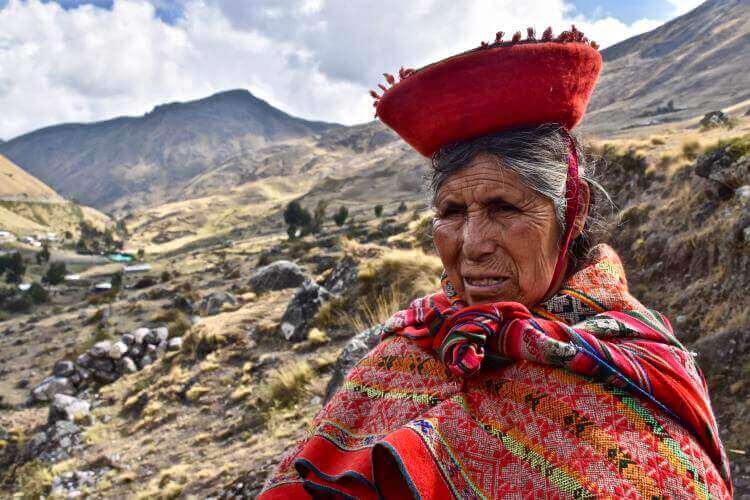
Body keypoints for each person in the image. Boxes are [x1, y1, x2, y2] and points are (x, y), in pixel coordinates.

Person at [259, 26, 731, 499]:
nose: (472, 243)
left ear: (575, 208)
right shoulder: (412, 347)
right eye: (452, 212)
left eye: (504, 208)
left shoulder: (637, 368)